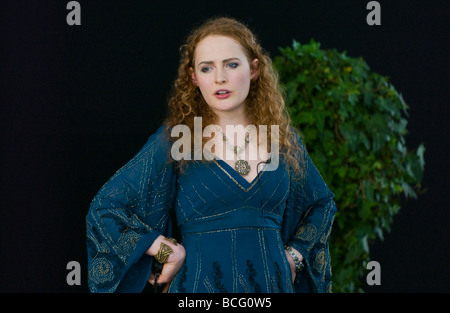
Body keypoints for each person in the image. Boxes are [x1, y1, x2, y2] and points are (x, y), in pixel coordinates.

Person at [86, 17, 337, 293]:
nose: (220, 77)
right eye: (207, 68)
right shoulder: (177, 140)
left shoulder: (282, 141)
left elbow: (322, 203)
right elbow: (106, 208)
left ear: (254, 69)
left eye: (231, 64)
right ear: (194, 77)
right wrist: (163, 250)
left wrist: (296, 255)